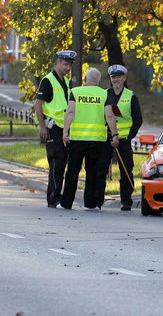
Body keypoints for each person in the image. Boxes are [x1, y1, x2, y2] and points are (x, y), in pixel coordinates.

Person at [59, 68, 119, 210]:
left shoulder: (76, 92)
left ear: (85, 79)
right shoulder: (104, 94)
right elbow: (109, 116)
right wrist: (115, 135)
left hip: (77, 139)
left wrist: (65, 131)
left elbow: (70, 112)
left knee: (72, 171)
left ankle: (66, 203)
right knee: (92, 172)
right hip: (97, 140)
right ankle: (90, 204)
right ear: (98, 80)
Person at [33, 50, 75, 207]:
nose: (68, 67)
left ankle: (55, 196)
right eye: (65, 64)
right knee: (57, 164)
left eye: (70, 65)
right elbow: (38, 103)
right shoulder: (48, 80)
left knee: (61, 164)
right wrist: (42, 126)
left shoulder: (64, 81)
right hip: (53, 128)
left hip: (63, 128)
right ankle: (54, 198)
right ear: (58, 62)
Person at [100, 65, 143, 211]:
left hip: (123, 139)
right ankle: (98, 200)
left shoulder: (131, 96)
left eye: (118, 77)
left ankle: (126, 201)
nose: (116, 80)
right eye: (113, 77)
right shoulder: (104, 94)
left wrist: (129, 136)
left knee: (126, 170)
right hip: (106, 138)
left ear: (124, 78)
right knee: (101, 169)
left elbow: (138, 120)